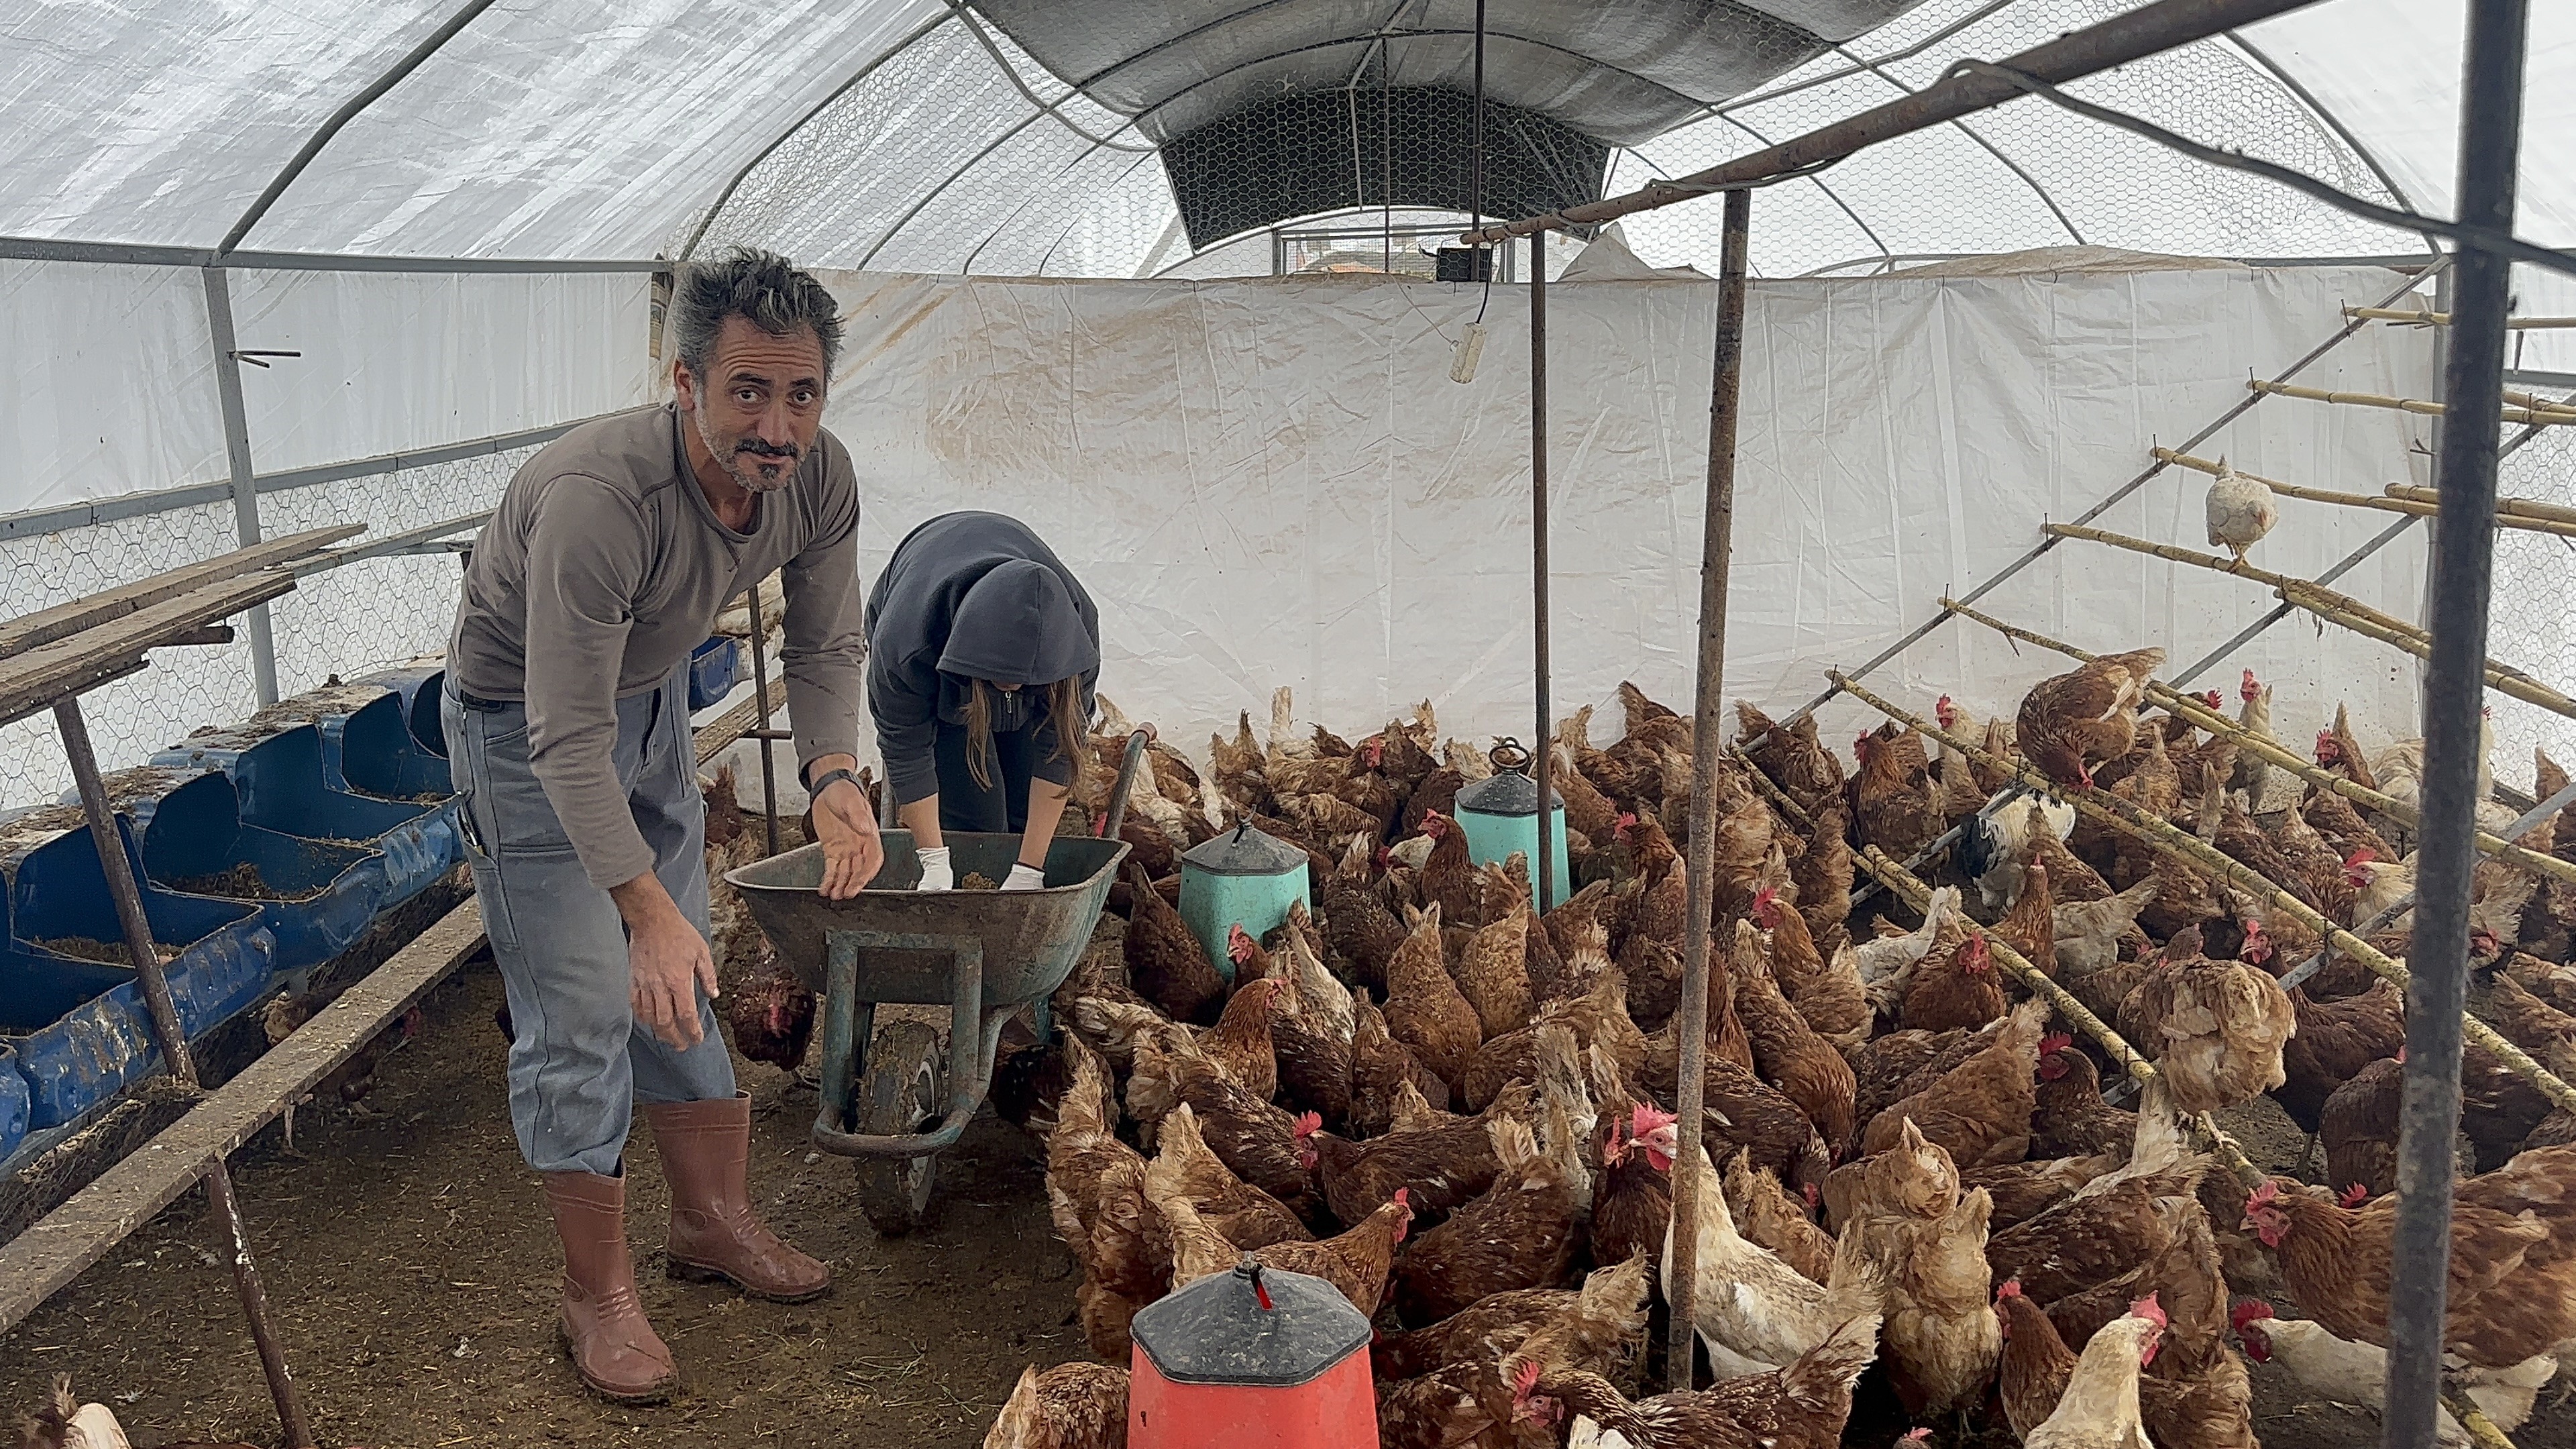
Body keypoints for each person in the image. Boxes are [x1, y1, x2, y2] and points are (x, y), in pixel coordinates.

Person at [442, 248, 883, 1402]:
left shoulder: (821, 480)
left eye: (801, 394)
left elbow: (828, 646)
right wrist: (637, 906)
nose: (777, 425)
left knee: (681, 971)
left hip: (645, 710)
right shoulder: (604, 501)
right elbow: (561, 736)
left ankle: (709, 1223)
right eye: (747, 390)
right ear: (683, 383)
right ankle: (595, 1295)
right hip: (524, 727)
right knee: (585, 1000)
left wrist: (836, 770)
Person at [865, 513, 1099, 892]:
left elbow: (1058, 750)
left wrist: (1030, 868)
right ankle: (965, 899)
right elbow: (906, 747)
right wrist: (934, 859)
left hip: (1026, 655)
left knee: (1022, 816)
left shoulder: (1077, 637)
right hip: (938, 645)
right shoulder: (906, 645)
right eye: (1000, 679)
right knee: (976, 826)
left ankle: (1018, 887)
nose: (1010, 691)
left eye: (1024, 683)